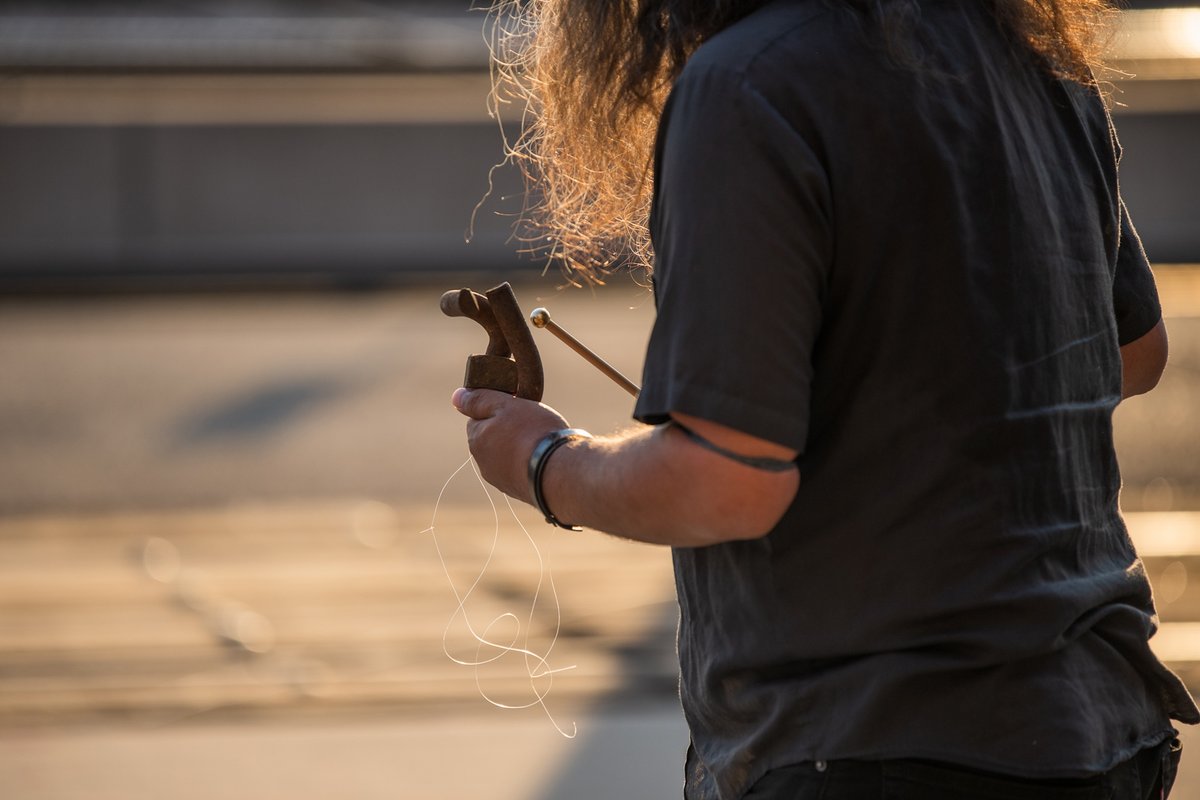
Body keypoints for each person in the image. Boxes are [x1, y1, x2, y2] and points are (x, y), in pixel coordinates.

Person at [452, 0, 1199, 797]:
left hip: (872, 747)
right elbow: (1132, 351)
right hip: (1099, 729)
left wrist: (542, 460)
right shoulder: (1035, 58)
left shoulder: (747, 83)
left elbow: (726, 483)